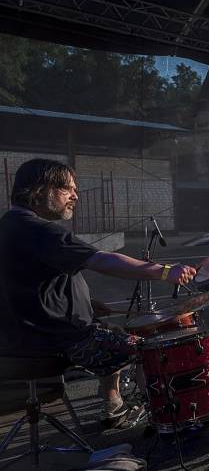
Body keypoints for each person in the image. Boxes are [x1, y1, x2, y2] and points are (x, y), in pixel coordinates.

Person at [0, 159, 197, 427]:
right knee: (149, 350)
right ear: (41, 190)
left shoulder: (9, 227)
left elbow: (27, 286)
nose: (75, 196)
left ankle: (113, 405)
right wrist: (163, 271)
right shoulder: (40, 231)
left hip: (19, 343)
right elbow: (103, 260)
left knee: (108, 332)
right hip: (58, 341)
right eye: (68, 189)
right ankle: (172, 419)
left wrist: (86, 304)